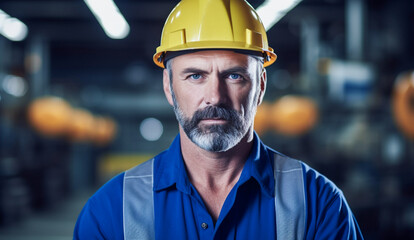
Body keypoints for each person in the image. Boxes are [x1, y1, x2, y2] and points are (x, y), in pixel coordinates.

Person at [74, 0, 364, 239]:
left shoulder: (318, 205)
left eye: (234, 75)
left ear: (261, 85)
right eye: (195, 75)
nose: (214, 96)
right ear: (168, 86)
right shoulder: (110, 213)